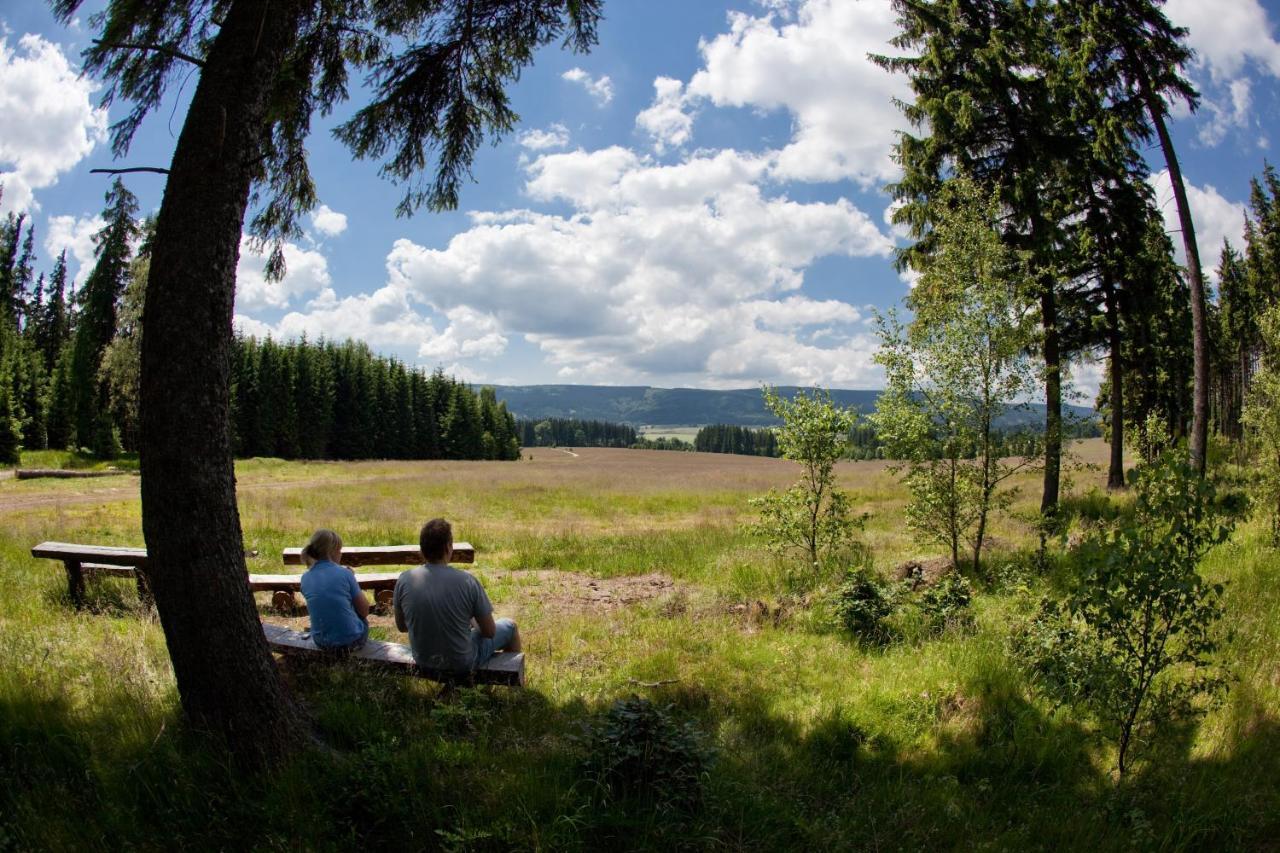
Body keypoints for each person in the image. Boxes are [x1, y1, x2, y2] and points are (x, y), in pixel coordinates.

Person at [393, 518, 521, 675]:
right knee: (511, 627)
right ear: (448, 548)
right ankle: (510, 684)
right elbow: (489, 632)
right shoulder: (467, 581)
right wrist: (472, 622)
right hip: (462, 663)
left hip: (423, 661)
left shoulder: (405, 580)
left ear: (422, 549)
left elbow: (402, 627)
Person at [299, 528, 369, 651]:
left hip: (321, 642)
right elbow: (364, 611)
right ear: (332, 551)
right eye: (340, 550)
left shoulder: (305, 577)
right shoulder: (345, 574)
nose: (341, 554)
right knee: (362, 618)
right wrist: (352, 579)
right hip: (350, 642)